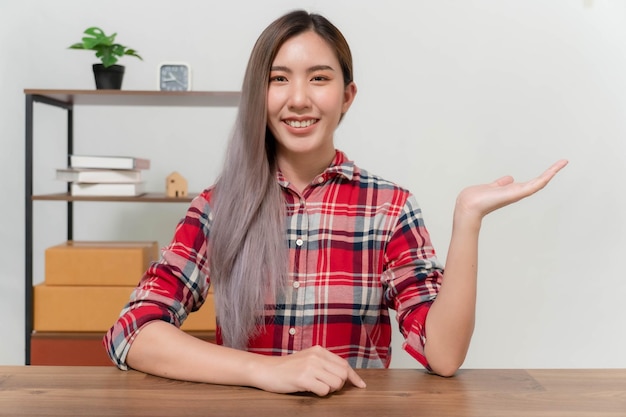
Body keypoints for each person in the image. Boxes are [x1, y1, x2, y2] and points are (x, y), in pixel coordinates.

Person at [103, 10, 567, 396]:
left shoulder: (390, 209)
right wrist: (264, 371)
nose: (298, 99)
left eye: (318, 78)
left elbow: (442, 355)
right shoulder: (217, 208)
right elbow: (132, 331)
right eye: (278, 79)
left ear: (347, 97)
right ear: (258, 96)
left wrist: (467, 219)